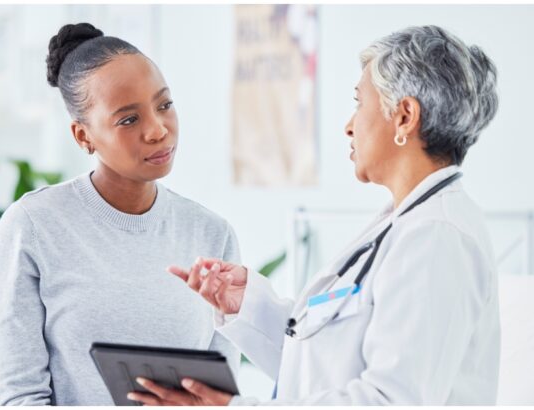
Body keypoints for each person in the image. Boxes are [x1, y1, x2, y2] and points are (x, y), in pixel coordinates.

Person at [128, 25, 501, 405]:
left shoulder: (437, 236)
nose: (349, 125)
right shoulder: (406, 224)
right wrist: (250, 305)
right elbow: (325, 366)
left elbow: (390, 401)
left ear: (404, 117)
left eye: (359, 102)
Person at [0, 22, 240, 405]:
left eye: (165, 105)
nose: (158, 130)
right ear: (83, 136)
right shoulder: (34, 226)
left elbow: (219, 397)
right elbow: (20, 397)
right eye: (128, 119)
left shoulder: (211, 234)